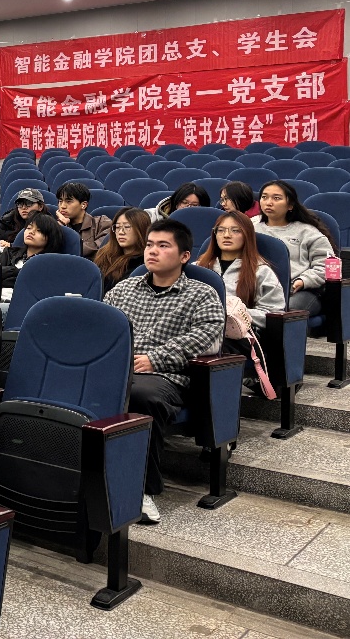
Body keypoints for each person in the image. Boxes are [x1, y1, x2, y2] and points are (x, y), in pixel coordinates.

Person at [104, 219, 225, 524]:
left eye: (163, 245)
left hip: (166, 376)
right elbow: (102, 325)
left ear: (184, 256)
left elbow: (207, 335)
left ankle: (141, 490)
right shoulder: (124, 288)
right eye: (149, 245)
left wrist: (155, 359)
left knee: (138, 395)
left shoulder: (202, 294)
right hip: (118, 370)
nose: (152, 251)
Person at [196, 211, 284, 339]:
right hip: (197, 330)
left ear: (247, 235)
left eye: (235, 231)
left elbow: (273, 315)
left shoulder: (261, 271)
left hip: (239, 337)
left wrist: (236, 313)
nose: (227, 235)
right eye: (221, 230)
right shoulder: (198, 268)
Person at [254, 180, 336, 316]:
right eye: (264, 197)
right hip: (259, 288)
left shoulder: (307, 231)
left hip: (298, 290)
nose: (268, 202)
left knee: (282, 312)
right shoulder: (251, 227)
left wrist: (303, 281)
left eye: (276, 198)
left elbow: (327, 265)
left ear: (290, 205)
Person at [0, 214, 64, 320]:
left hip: (23, 306)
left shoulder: (50, 263)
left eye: (39, 231)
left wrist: (11, 274)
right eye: (29, 228)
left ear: (50, 237)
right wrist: (17, 272)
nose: (31, 232)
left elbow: (35, 286)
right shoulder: (9, 252)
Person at [95, 208, 151, 292]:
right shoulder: (105, 255)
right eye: (117, 227)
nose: (121, 232)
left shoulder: (146, 263)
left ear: (141, 229)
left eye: (127, 227)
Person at [55, 181, 112, 258]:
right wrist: (61, 226)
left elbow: (100, 248)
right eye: (60, 201)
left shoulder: (101, 223)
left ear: (83, 205)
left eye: (68, 201)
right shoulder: (56, 226)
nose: (62, 206)